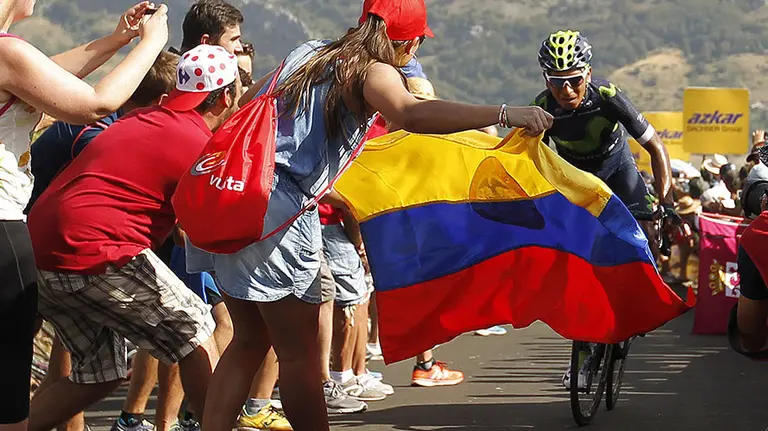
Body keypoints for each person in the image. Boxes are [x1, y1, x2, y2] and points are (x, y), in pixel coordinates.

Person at [198, 0, 552, 429]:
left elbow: (250, 105)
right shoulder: (373, 70)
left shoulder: (311, 52)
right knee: (299, 355)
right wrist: (503, 113)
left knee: (249, 342)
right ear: (408, 42)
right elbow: (411, 112)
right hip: (279, 213)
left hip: (231, 195)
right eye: (418, 43)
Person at [26, 44, 241, 431]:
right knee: (197, 330)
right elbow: (203, 230)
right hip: (92, 249)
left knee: (100, 373)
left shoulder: (146, 118)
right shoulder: (199, 144)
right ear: (226, 96)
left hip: (41, 251)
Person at [0, 2, 169, 430]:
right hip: (2, 227)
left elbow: (45, 75)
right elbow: (96, 104)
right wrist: (152, 44)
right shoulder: (6, 52)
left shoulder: (10, 56)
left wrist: (115, 40)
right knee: (7, 390)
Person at [531, 29, 677, 390]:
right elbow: (532, 162)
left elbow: (655, 146)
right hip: (579, 182)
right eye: (557, 82)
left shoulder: (608, 97)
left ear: (588, 75)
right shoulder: (542, 108)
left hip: (619, 171)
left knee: (649, 230)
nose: (566, 91)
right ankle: (582, 356)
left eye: (574, 81)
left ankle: (638, 299)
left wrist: (667, 200)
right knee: (577, 266)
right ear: (546, 80)